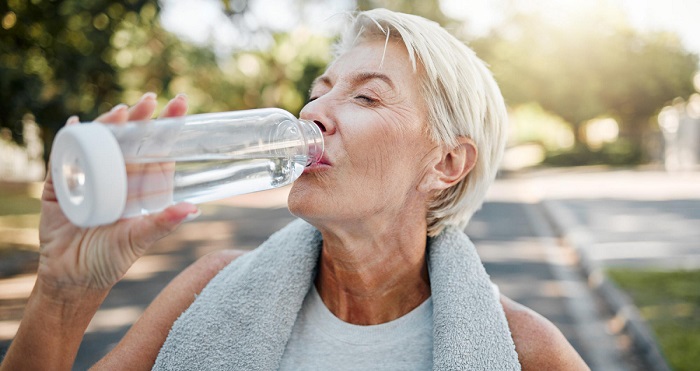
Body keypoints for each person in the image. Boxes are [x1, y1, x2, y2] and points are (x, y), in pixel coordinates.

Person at [1, 8, 589, 371]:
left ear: (447, 163)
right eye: (320, 88)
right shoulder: (207, 290)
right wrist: (65, 291)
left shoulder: (527, 352)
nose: (312, 111)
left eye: (365, 96)